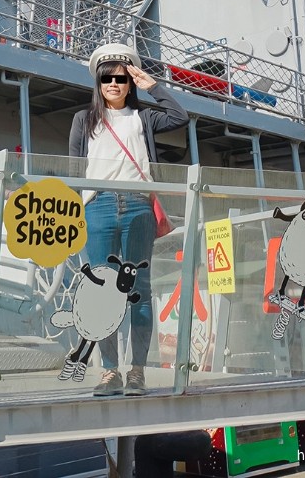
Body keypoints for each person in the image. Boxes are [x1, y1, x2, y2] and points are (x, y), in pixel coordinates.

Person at [68, 43, 188, 396]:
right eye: (107, 78)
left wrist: (153, 86)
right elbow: (74, 169)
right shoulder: (84, 120)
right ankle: (109, 371)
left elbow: (179, 116)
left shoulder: (143, 117)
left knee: (140, 291)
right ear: (98, 83)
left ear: (130, 82)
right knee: (100, 292)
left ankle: (137, 371)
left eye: (121, 78)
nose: (114, 84)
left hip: (138, 205)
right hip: (98, 206)